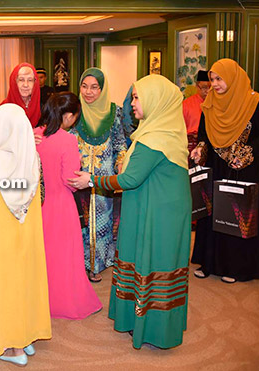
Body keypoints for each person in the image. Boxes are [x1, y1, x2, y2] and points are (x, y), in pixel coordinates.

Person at [69, 74, 191, 349]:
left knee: (153, 261)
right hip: (153, 203)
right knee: (142, 257)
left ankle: (152, 328)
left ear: (155, 100)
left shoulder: (154, 138)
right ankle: (139, 319)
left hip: (160, 212)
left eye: (137, 97)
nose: (131, 104)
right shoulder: (160, 129)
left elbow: (129, 180)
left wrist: (92, 180)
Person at [0, 103, 51, 366]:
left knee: (4, 285)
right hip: (27, 233)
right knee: (25, 282)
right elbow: (40, 197)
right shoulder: (34, 158)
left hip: (0, 236)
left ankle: (11, 348)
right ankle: (26, 338)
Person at [190, 59, 259, 283]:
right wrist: (200, 147)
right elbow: (204, 135)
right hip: (216, 165)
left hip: (242, 168)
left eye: (219, 79)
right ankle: (209, 262)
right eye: (212, 80)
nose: (214, 84)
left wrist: (248, 152)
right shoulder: (210, 104)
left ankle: (235, 266)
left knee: (236, 214)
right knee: (213, 213)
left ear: (233, 77)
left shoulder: (257, 103)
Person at [35, 92, 102, 319]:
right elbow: (70, 180)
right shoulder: (68, 140)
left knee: (40, 255)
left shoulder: (33, 135)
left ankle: (39, 300)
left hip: (36, 204)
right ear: (70, 116)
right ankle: (64, 302)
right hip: (61, 205)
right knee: (63, 257)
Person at [70, 67, 127, 283]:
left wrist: (121, 163)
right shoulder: (74, 110)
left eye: (94, 87)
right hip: (78, 177)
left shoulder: (115, 112)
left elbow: (120, 143)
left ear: (102, 89)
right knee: (80, 222)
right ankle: (80, 262)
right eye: (84, 86)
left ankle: (96, 265)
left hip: (104, 180)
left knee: (102, 222)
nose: (88, 92)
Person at [0, 63, 41, 127]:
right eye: (21, 80)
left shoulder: (43, 108)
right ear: (14, 82)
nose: (26, 85)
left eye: (30, 80)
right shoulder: (3, 109)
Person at [183, 70, 211, 153]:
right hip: (192, 146)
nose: (208, 91)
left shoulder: (218, 104)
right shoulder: (186, 104)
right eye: (205, 87)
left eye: (211, 87)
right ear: (197, 86)